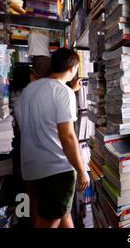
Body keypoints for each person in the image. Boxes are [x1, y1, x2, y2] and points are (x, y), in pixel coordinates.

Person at [14, 48, 90, 228]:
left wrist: (70, 90)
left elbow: (28, 122)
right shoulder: (64, 93)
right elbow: (68, 136)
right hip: (57, 170)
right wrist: (81, 170)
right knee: (49, 222)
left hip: (33, 168)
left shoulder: (29, 89)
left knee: (60, 213)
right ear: (72, 68)